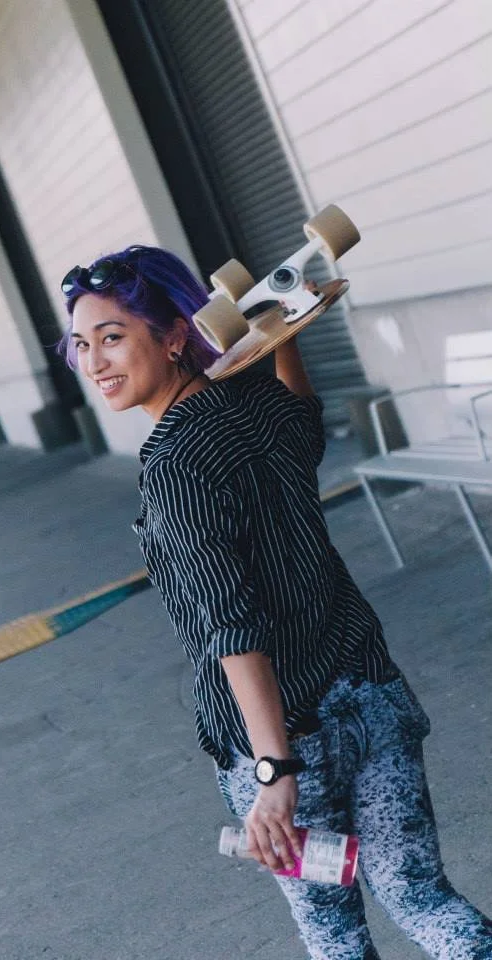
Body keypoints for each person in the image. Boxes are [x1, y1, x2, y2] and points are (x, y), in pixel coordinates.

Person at [59, 245, 492, 960]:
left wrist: (273, 771)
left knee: (335, 937)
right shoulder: (254, 400)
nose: (95, 362)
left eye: (113, 336)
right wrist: (286, 343)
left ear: (173, 335)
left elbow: (233, 627)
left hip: (287, 741)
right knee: (421, 897)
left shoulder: (173, 467)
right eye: (82, 345)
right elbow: (307, 426)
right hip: (370, 696)